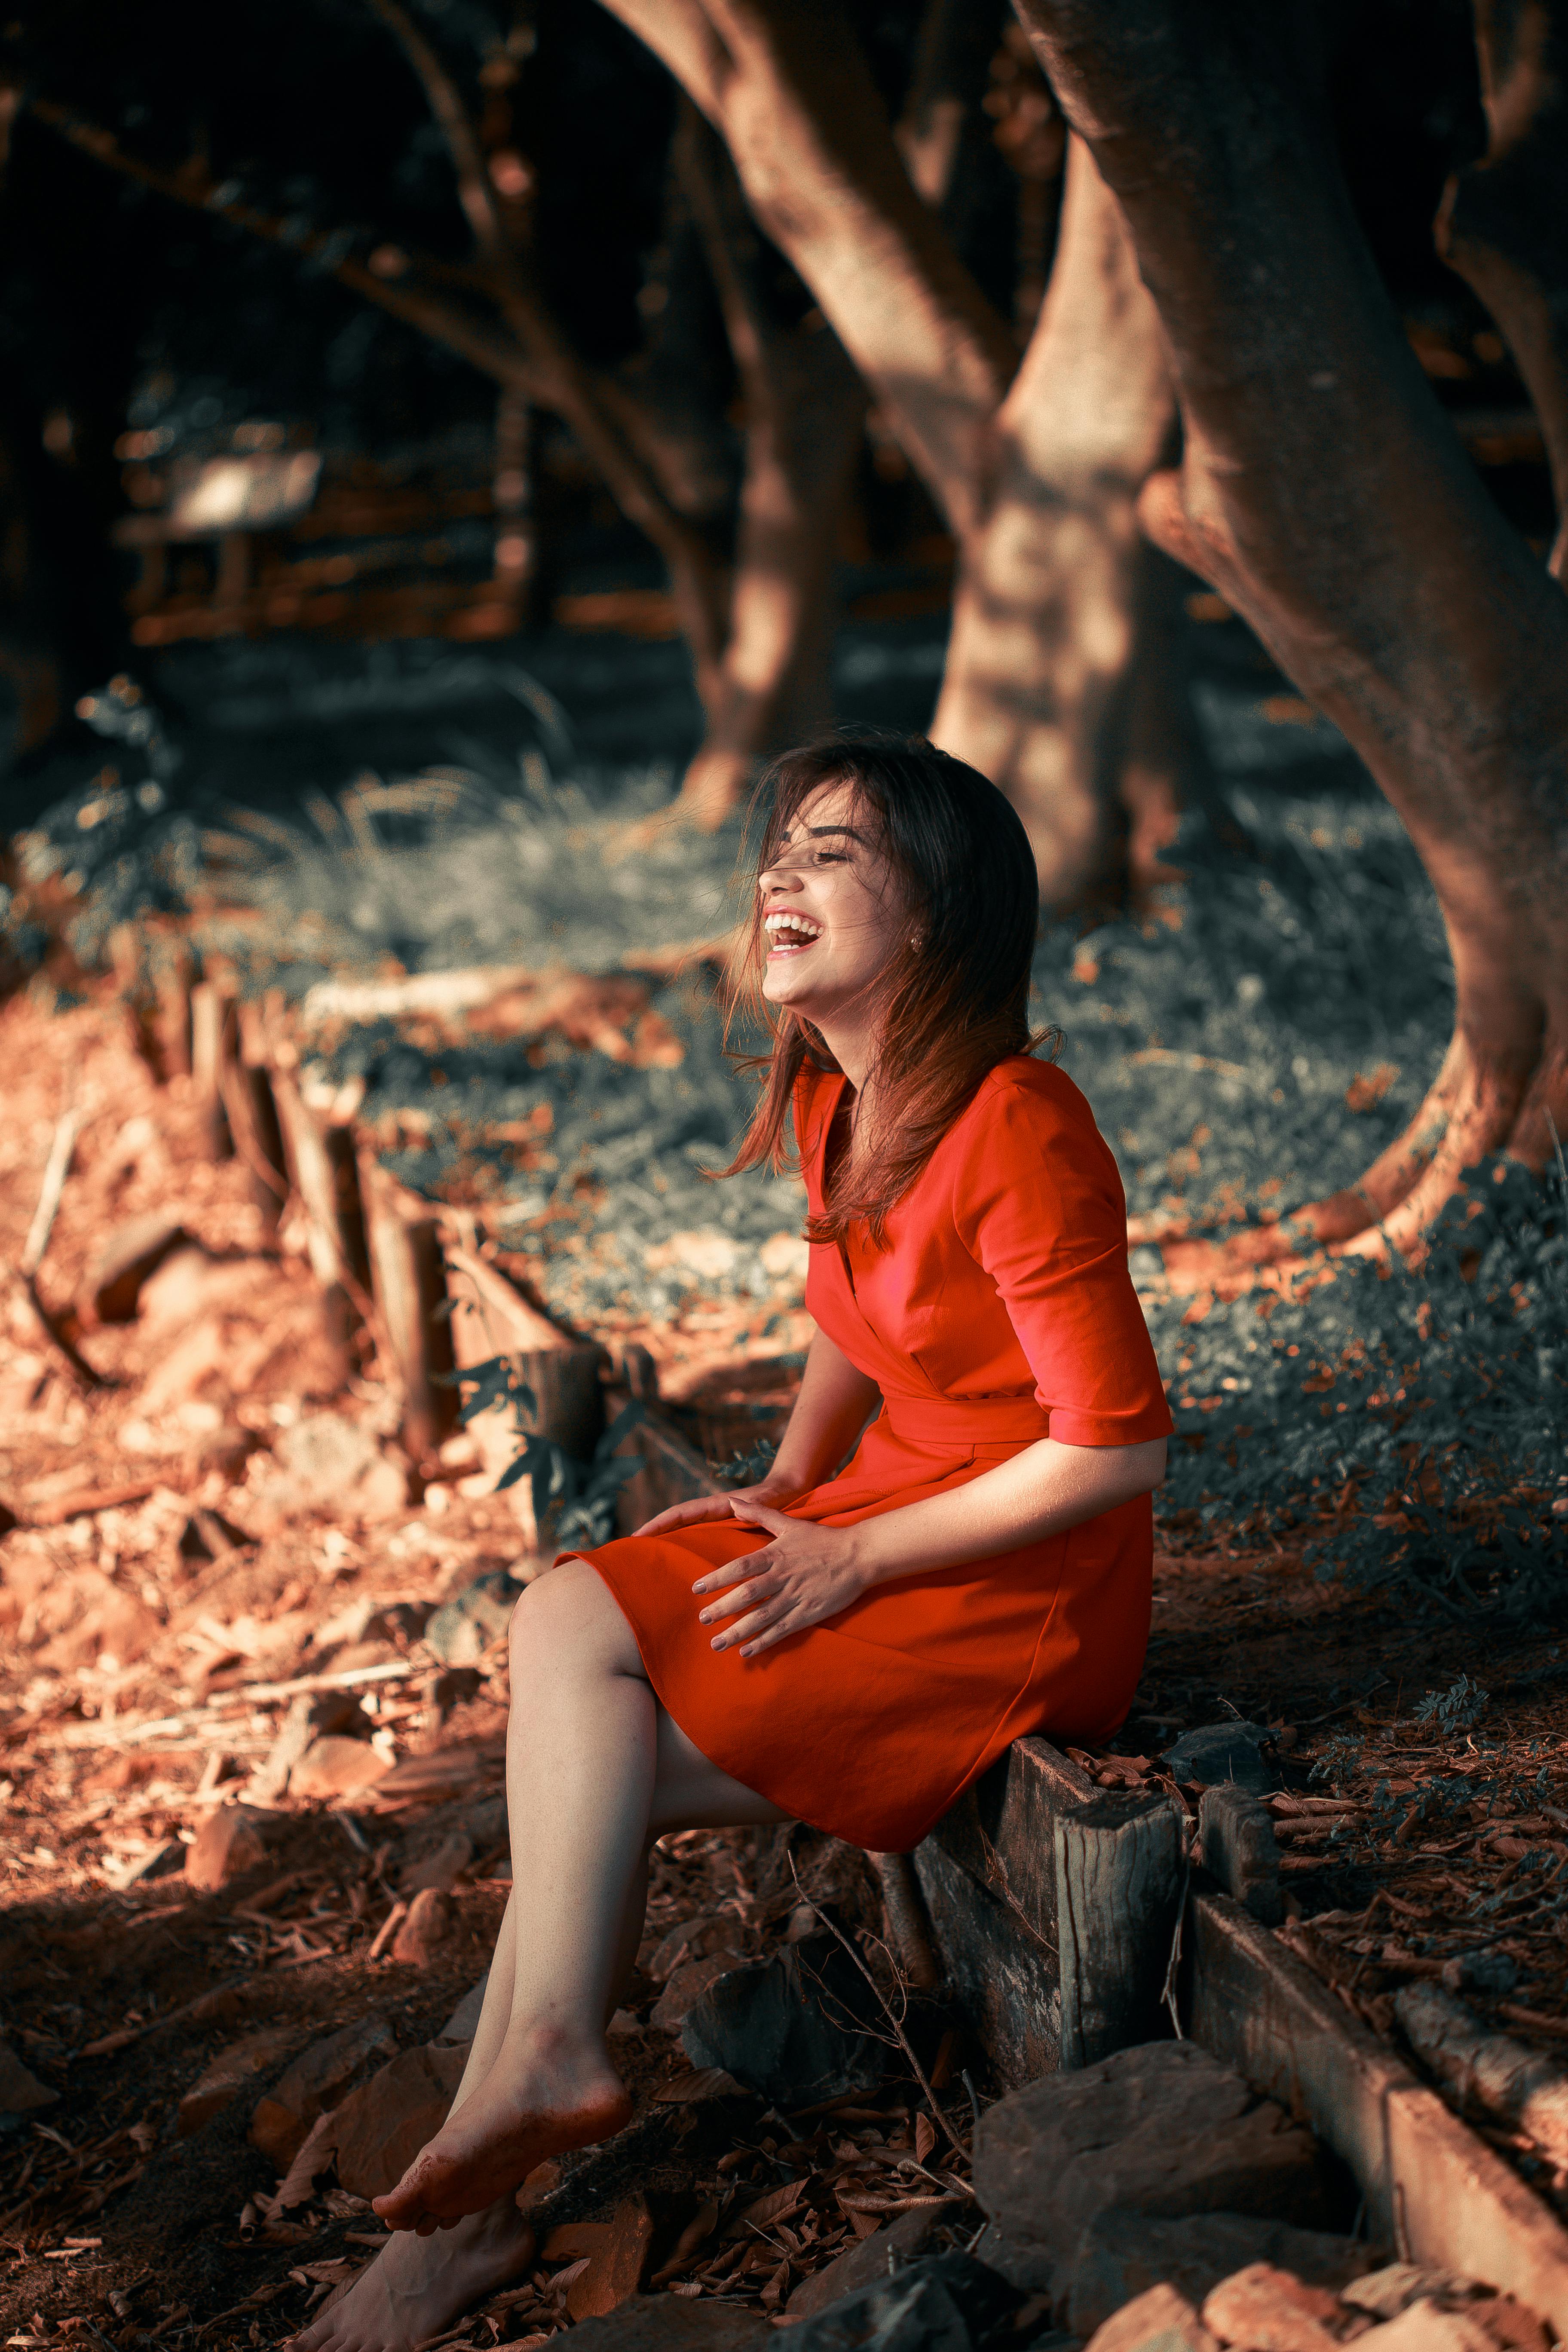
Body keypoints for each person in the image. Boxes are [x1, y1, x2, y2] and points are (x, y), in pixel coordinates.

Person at [291, 733, 1171, 2352]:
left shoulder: (1022, 1123)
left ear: (944, 909)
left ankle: (513, 2132)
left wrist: (859, 1558)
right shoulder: (851, 1101)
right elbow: (849, 1312)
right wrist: (789, 1481)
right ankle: (479, 2196)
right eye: (779, 847)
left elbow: (1115, 1448)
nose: (781, 873)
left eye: (836, 852)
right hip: (890, 1525)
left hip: (1005, 1588)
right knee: (582, 1759)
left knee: (571, 1658)